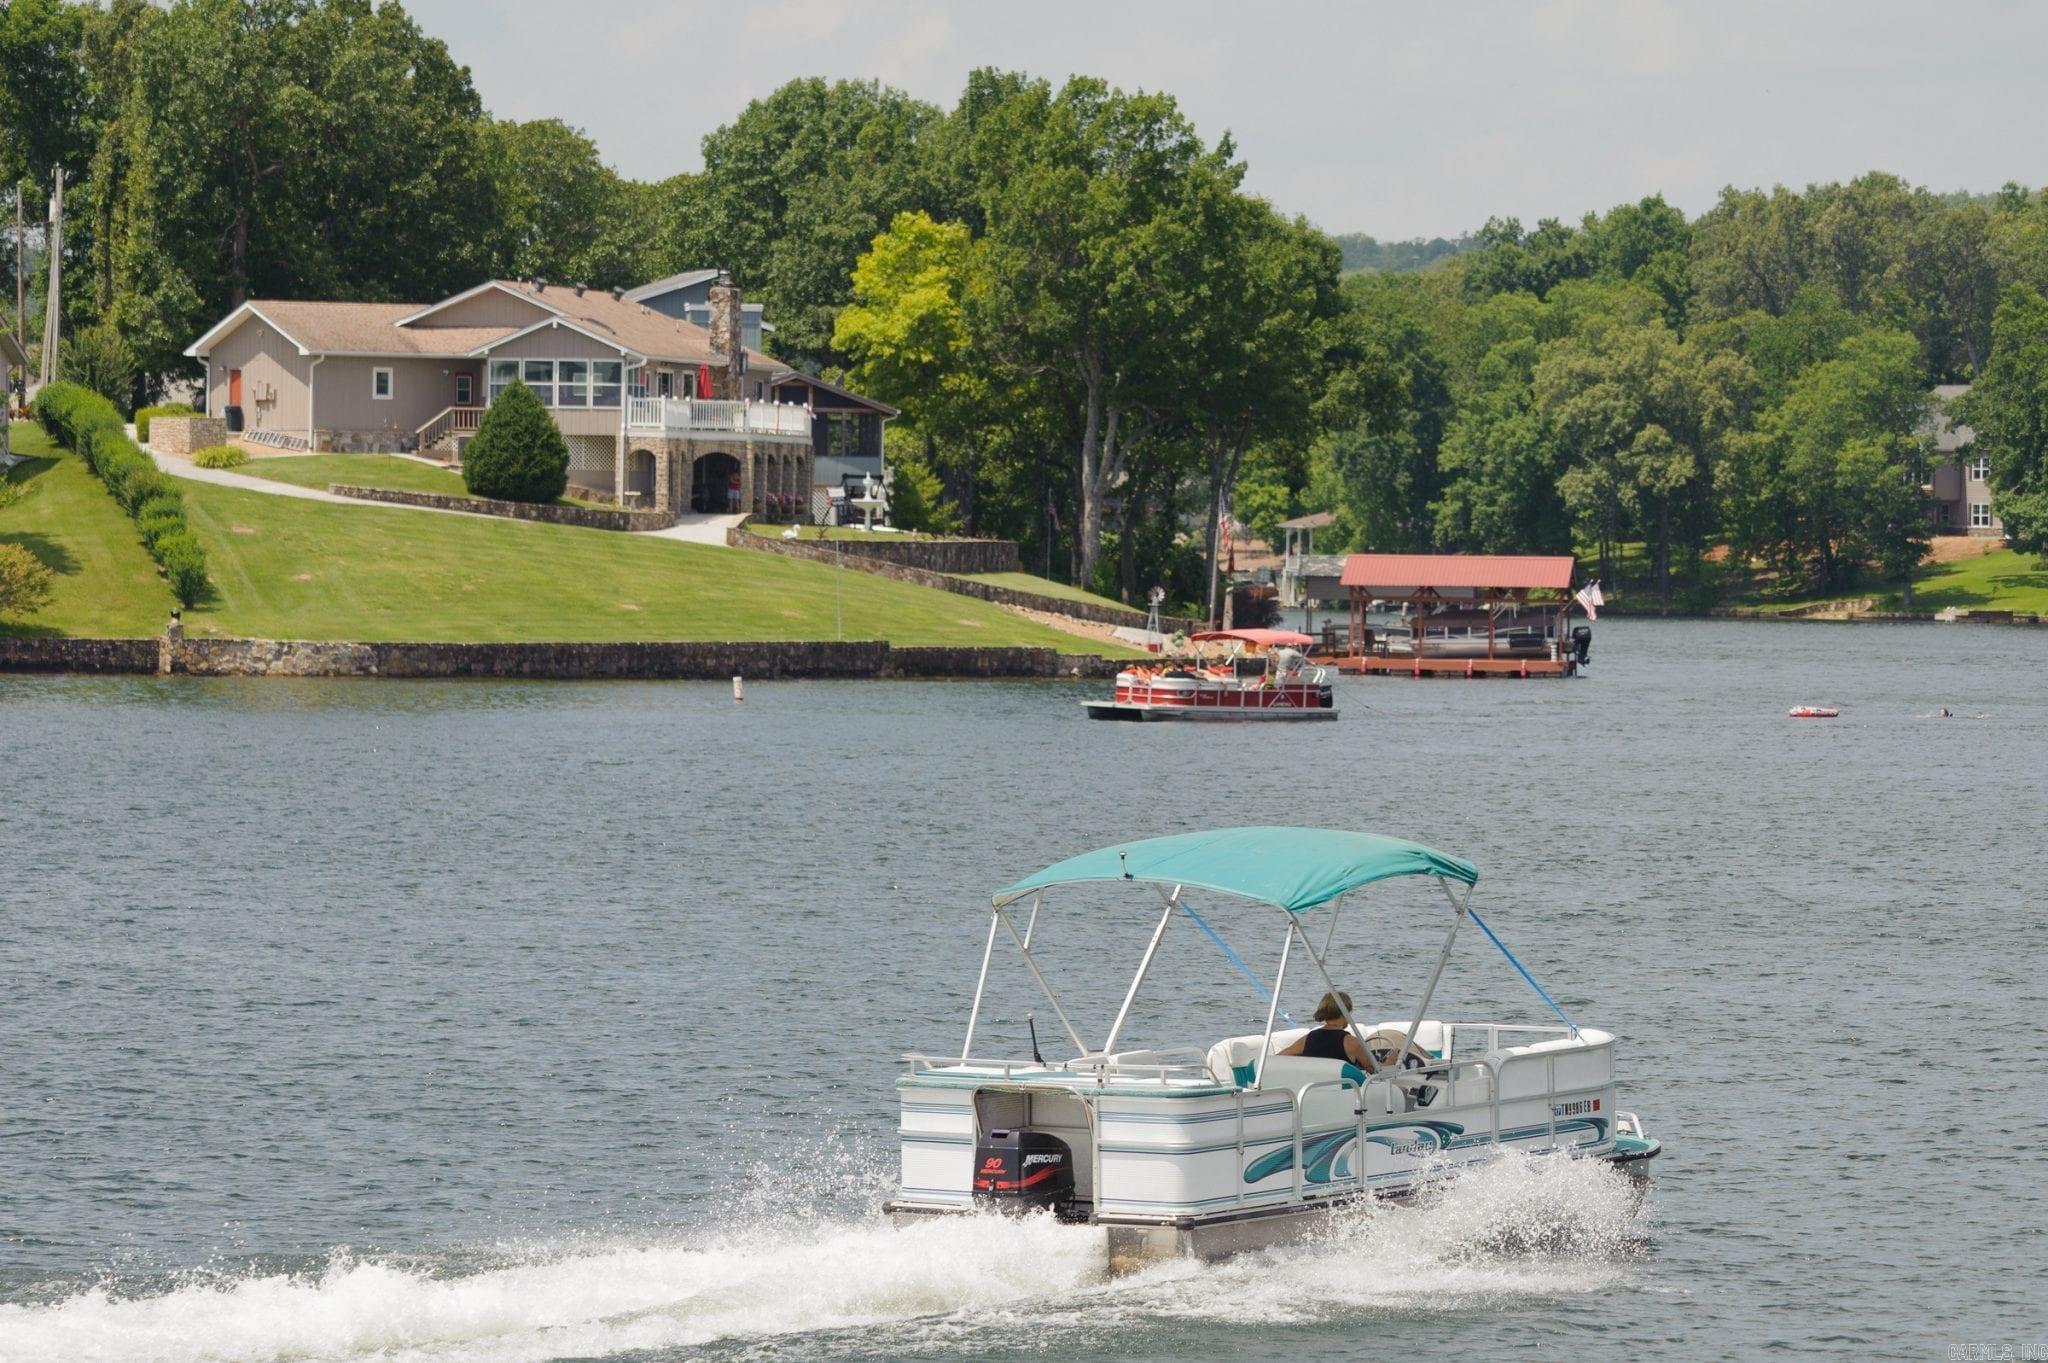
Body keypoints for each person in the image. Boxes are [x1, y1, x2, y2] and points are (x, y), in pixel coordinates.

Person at [1280, 991, 1374, 1070]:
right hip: (1344, 1090)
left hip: (1313, 1089)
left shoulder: (1309, 1038)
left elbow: (1280, 1056)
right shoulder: (1351, 1042)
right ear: (1345, 1012)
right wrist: (1389, 1060)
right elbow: (1376, 1071)